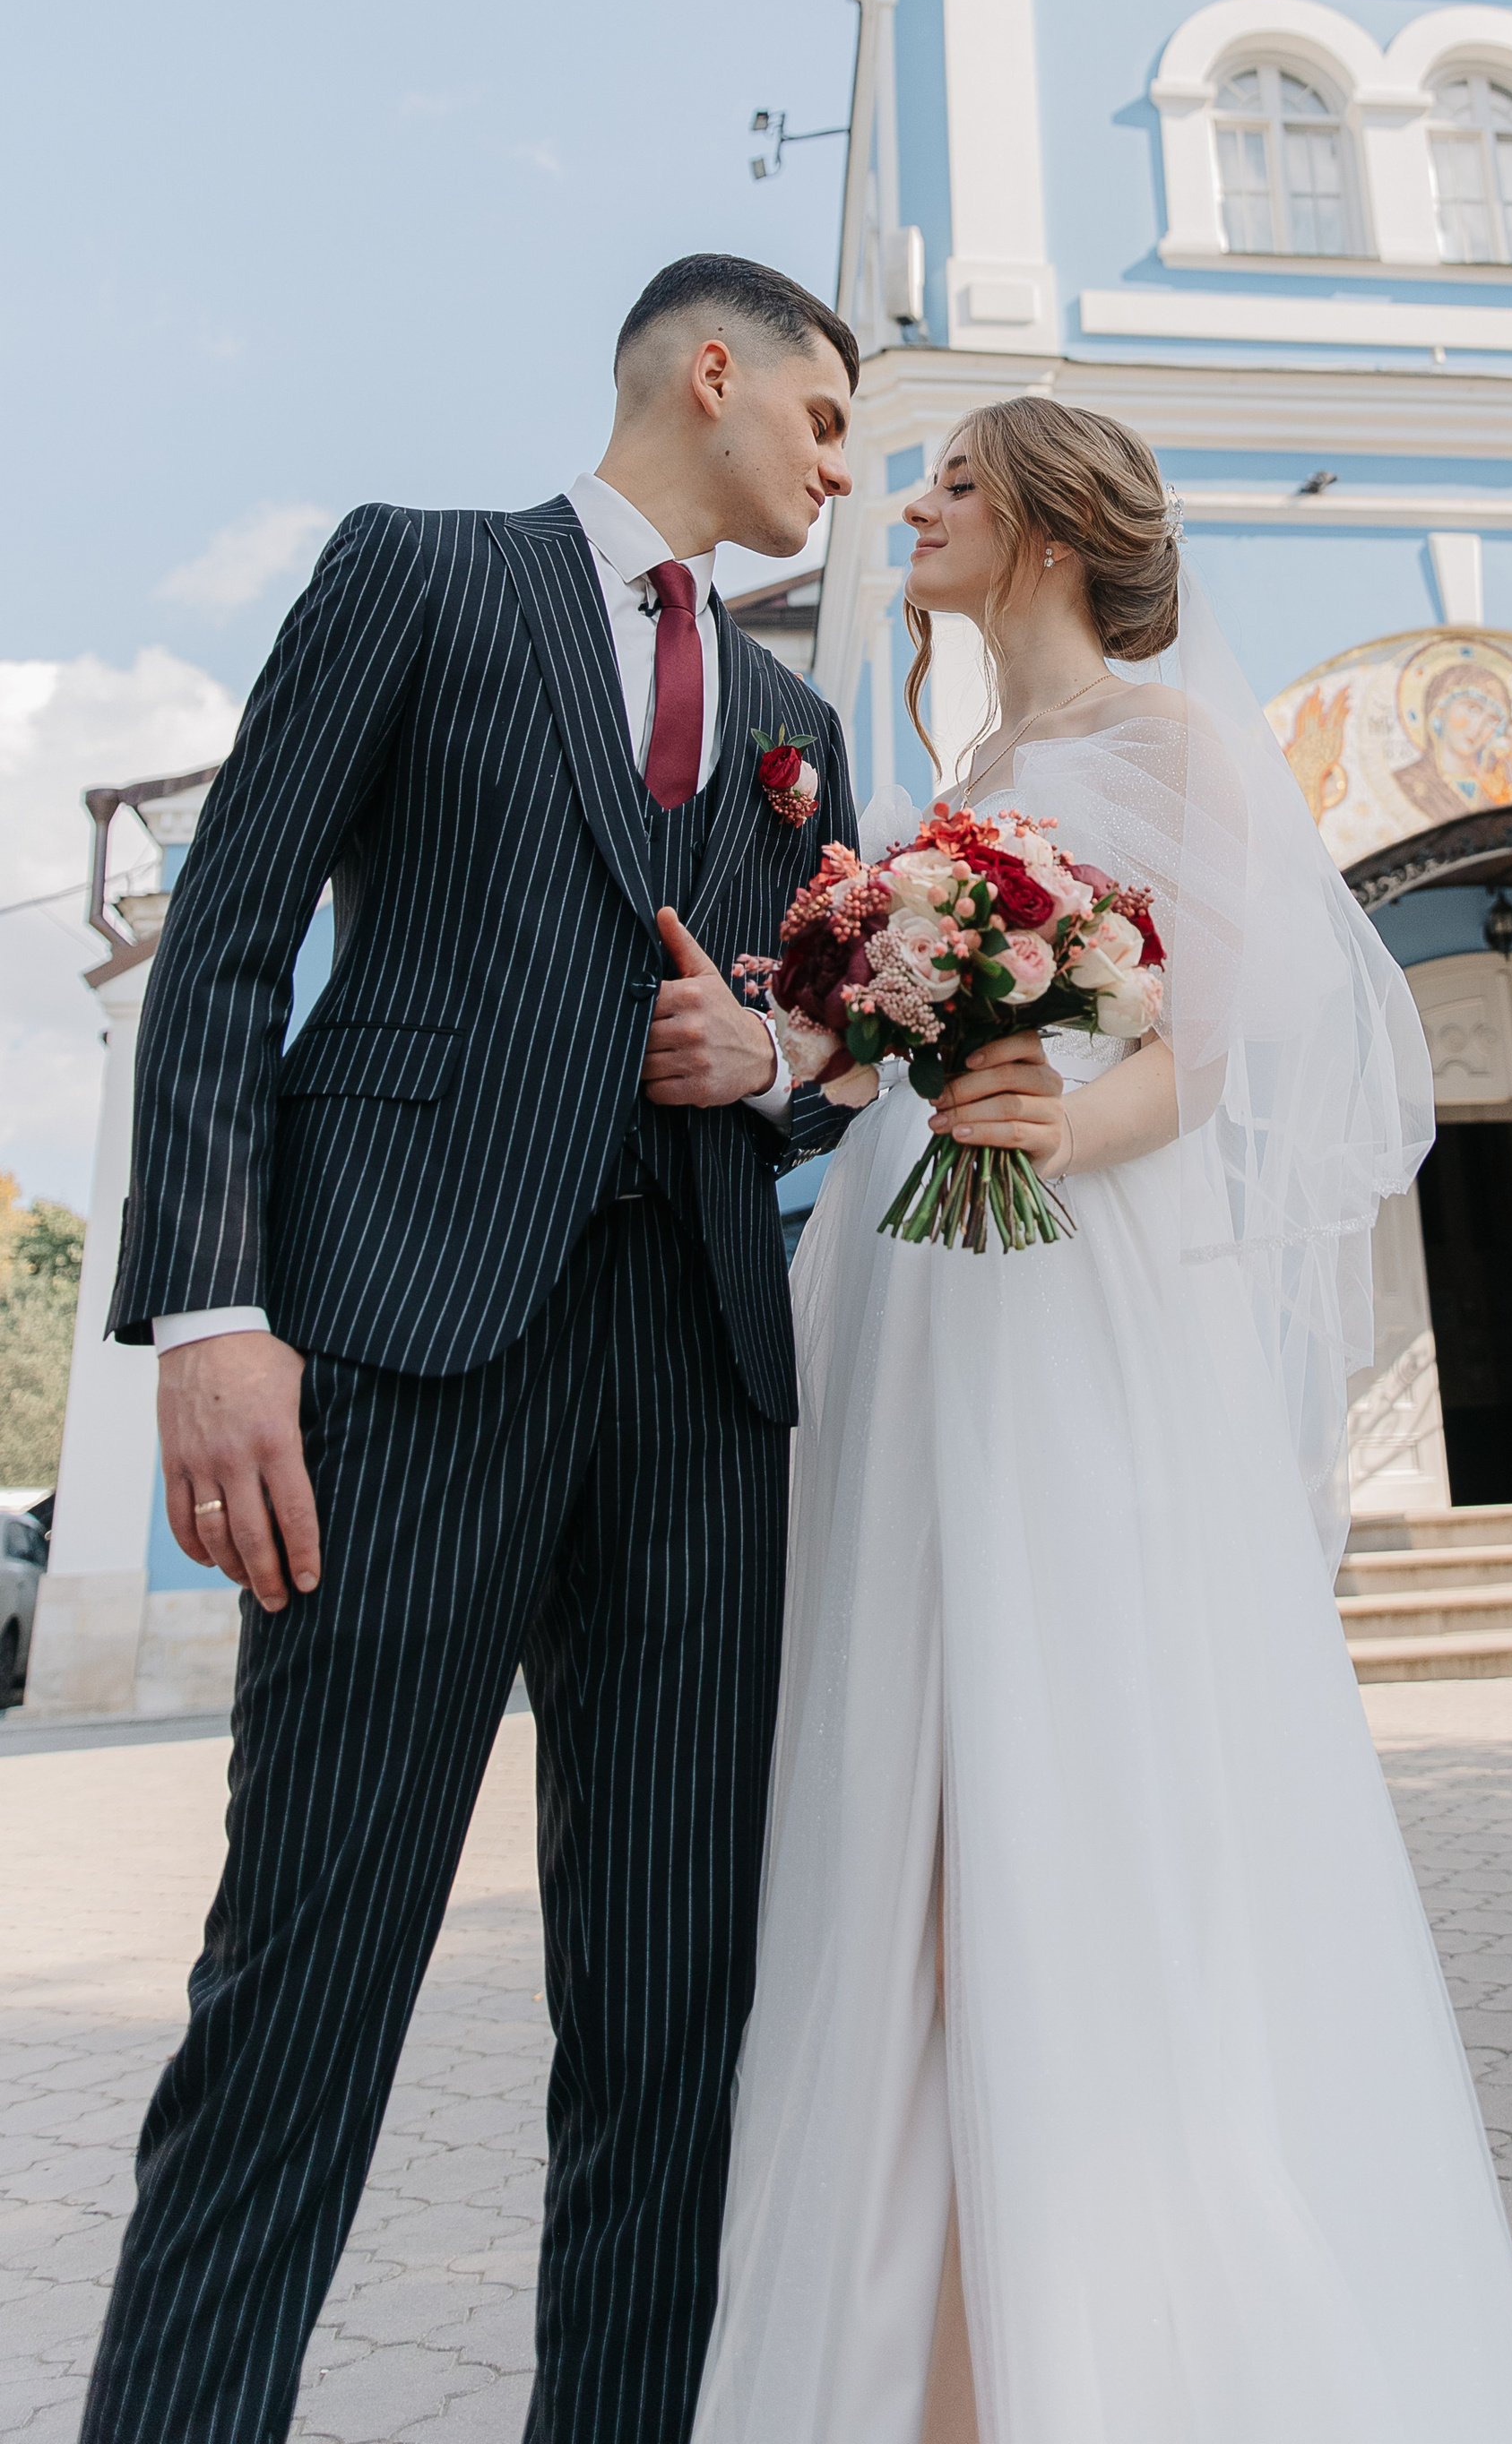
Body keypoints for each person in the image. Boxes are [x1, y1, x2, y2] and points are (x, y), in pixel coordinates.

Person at [81, 256, 1047, 2444]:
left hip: (699, 1402)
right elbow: (226, 950)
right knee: (298, 1999)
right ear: (712, 370)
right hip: (403, 1369)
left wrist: (774, 1061)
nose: (837, 465)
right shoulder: (418, 578)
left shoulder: (799, 743)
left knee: (665, 2030)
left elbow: (831, 1044)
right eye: (822, 419)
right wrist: (216, 1314)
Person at [695, 393, 1512, 2444]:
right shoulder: (957, 773)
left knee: (1059, 1734)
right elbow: (851, 1067)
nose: (910, 501)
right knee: (896, 1744)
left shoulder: (1172, 748)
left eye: (954, 483)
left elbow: (1231, 1051)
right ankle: (916, 2335)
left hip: (1067, 1283)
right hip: (910, 1291)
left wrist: (1050, 1119)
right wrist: (787, 1044)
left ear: (1056, 534)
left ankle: (1085, 2333)